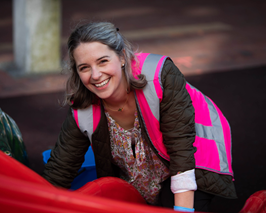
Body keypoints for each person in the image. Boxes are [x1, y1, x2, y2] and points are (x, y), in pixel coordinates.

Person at [43, 22, 237, 212]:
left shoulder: (160, 75)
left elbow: (181, 149)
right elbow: (61, 168)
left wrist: (182, 209)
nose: (95, 75)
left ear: (121, 57)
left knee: (175, 203)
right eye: (84, 67)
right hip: (143, 169)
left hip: (193, 154)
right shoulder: (82, 106)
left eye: (103, 61)